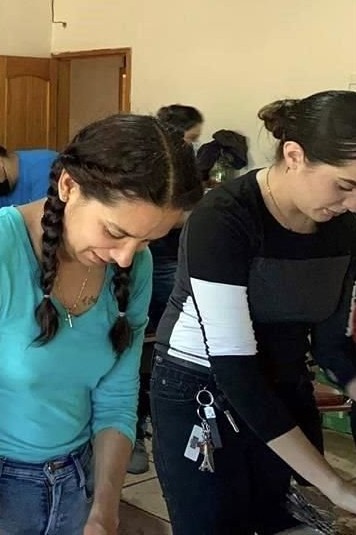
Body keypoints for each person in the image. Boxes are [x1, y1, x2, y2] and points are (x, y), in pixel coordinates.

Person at [0, 114, 202, 535]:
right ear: (68, 186)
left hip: (74, 484)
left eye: (146, 240)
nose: (127, 256)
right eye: (114, 232)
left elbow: (117, 399)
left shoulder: (132, 266)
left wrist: (104, 511)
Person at [151, 90, 356, 533]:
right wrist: (337, 487)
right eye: (346, 185)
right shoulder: (224, 218)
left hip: (282, 381)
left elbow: (333, 348)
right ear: (295, 154)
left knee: (285, 519)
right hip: (201, 388)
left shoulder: (342, 229)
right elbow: (236, 369)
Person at [128, 103, 205, 475]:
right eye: (191, 138)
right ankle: (134, 429)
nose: (194, 145)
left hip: (169, 262)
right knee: (141, 348)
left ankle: (154, 419)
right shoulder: (151, 169)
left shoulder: (185, 167)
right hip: (156, 263)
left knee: (162, 349)